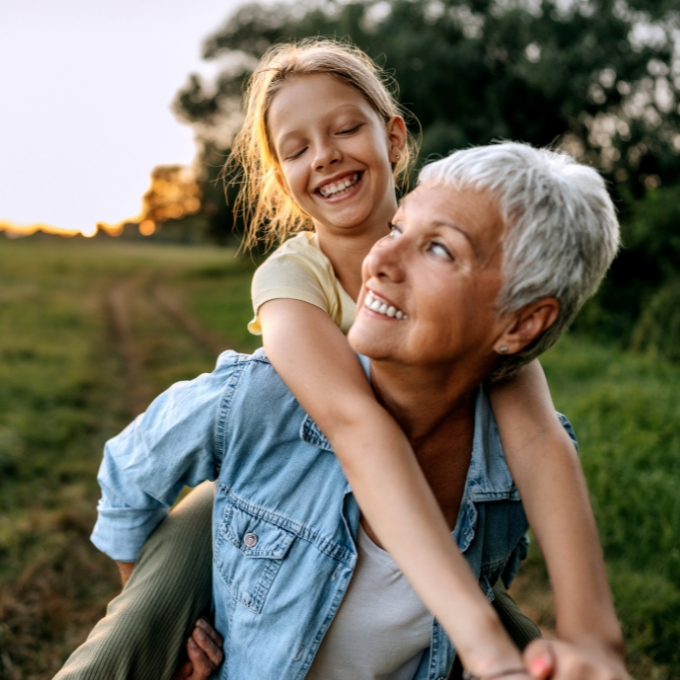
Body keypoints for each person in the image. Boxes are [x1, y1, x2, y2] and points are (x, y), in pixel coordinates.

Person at [55, 41, 623, 680]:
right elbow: (355, 425)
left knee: (520, 635)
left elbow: (542, 440)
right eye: (295, 150)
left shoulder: (476, 300)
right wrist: (163, 611)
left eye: (346, 129)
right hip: (267, 491)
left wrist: (591, 632)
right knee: (140, 624)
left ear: (394, 138)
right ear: (281, 177)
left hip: (400, 540)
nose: (323, 154)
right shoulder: (292, 282)